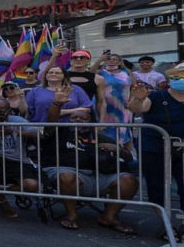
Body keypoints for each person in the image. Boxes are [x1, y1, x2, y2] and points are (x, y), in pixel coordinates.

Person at [43, 87, 139, 234]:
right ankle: (71, 214)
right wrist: (57, 104)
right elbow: (51, 121)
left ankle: (109, 216)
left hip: (99, 175)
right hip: (69, 172)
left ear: (91, 121)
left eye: (83, 118)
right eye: (74, 118)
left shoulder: (101, 137)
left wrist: (118, 150)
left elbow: (129, 158)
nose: (78, 121)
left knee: (129, 180)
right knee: (67, 177)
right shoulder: (60, 132)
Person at [128, 64, 184, 241]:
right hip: (154, 150)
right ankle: (166, 224)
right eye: (178, 76)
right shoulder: (157, 96)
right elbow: (138, 108)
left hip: (181, 152)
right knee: (157, 188)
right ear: (170, 78)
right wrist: (137, 99)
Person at [25, 66, 91, 122]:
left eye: (57, 73)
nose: (53, 74)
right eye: (50, 72)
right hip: (42, 128)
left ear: (64, 76)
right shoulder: (35, 91)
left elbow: (87, 108)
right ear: (46, 76)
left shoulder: (76, 89)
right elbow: (27, 111)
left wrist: (63, 112)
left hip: (70, 128)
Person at [97, 53, 133, 147]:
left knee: (124, 131)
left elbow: (134, 87)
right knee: (105, 133)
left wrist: (131, 101)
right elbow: (90, 74)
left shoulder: (126, 73)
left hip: (122, 107)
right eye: (109, 59)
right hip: (105, 107)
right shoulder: (101, 72)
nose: (111, 60)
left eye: (114, 59)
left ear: (119, 62)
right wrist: (100, 59)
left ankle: (126, 156)